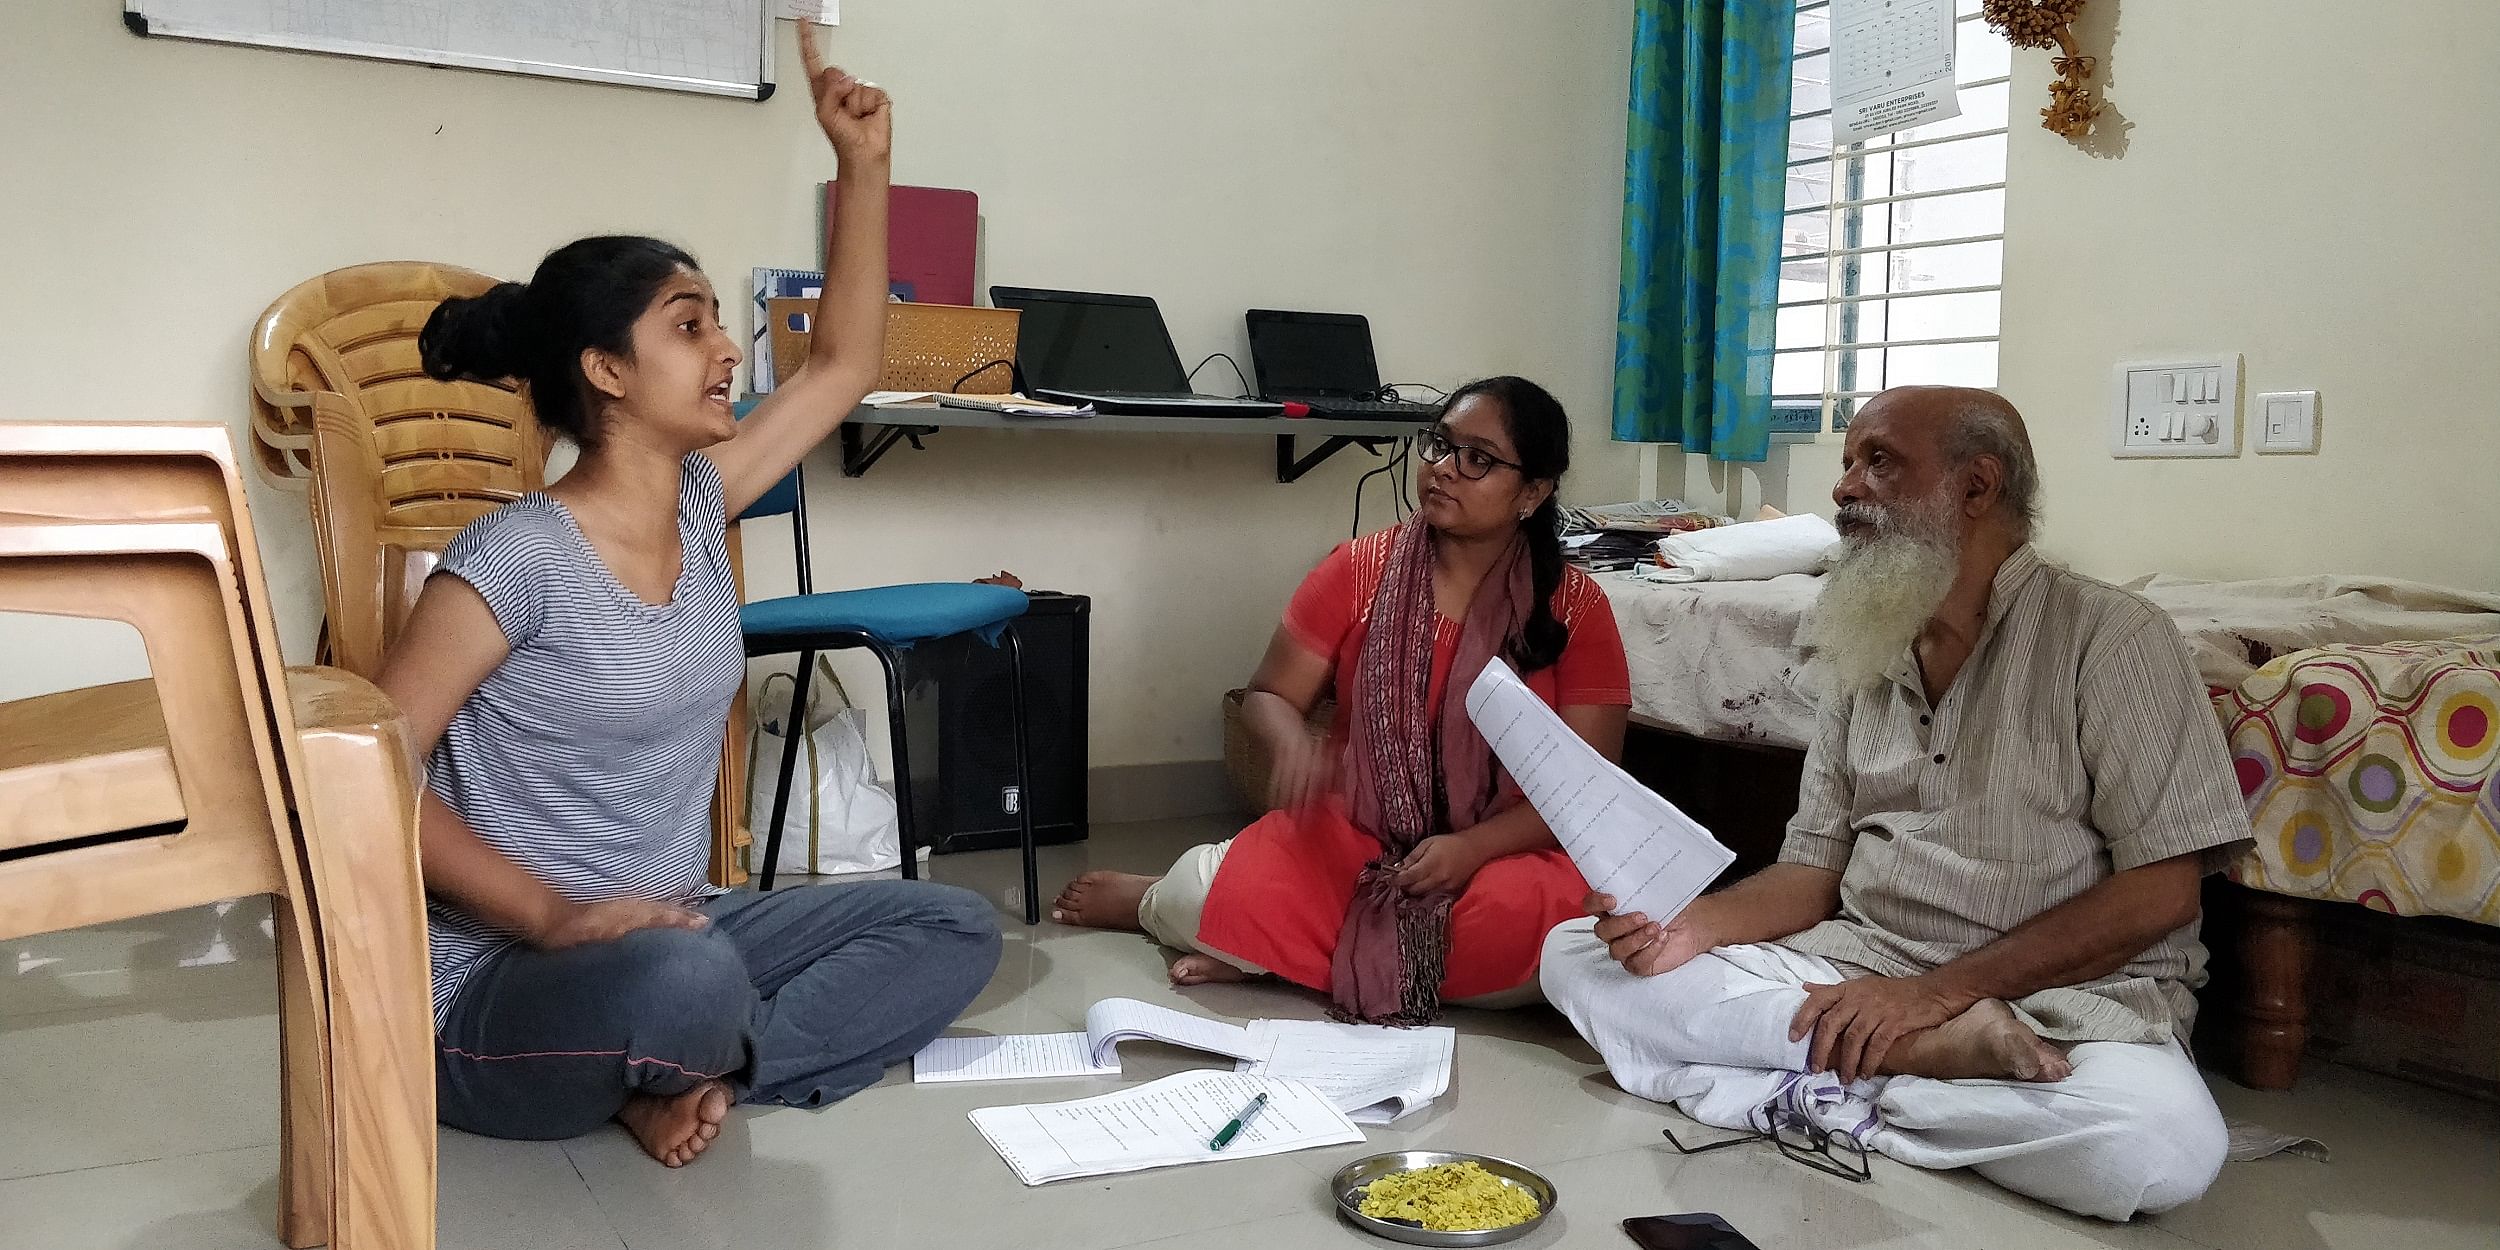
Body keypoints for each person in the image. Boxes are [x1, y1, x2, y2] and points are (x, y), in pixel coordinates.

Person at [378, 27, 998, 1169]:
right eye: (689, 323)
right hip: (493, 979)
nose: (725, 348)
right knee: (692, 971)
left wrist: (864, 165)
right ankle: (671, 1053)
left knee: (950, 921)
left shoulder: (706, 502)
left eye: (719, 318)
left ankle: (684, 1070)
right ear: (606, 372)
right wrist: (552, 916)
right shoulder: (514, 556)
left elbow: (846, 366)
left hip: (669, 926)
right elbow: (364, 774)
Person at [1541, 386, 2254, 1220]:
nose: (1844, 488)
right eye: (1847, 463)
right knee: (1575, 955)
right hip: (1858, 964)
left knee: (2158, 1148)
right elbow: (1814, 869)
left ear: (1977, 488)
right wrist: (1684, 929)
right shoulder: (1865, 636)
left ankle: (1803, 1085)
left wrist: (1936, 991)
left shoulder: (2112, 638)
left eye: (1878, 462)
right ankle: (1921, 1066)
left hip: (2070, 998)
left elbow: (2162, 893)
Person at [1051, 377, 1631, 1023]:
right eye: (1439, 445)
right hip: (1358, 832)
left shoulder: (1577, 608)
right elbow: (1270, 694)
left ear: (1533, 491)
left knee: (1568, 944)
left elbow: (1588, 790)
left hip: (1508, 850)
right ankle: (1163, 903)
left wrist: (1472, 849)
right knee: (1197, 893)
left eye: (1478, 459)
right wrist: (1292, 743)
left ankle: (1271, 958)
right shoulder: (1359, 568)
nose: (1443, 469)